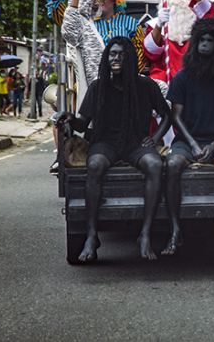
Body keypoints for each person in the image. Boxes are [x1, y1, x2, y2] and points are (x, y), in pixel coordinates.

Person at [59, 37, 171, 262]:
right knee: (95, 164)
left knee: (155, 164)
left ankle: (145, 233)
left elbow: (167, 115)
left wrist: (155, 138)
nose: (115, 58)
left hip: (136, 143)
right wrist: (70, 119)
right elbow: (83, 122)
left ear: (129, 58)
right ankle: (92, 235)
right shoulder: (98, 87)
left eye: (120, 54)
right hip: (105, 142)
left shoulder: (145, 85)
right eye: (111, 54)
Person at [163, 20, 214, 257]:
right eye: (202, 40)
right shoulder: (183, 77)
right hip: (187, 141)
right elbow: (176, 117)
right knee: (173, 164)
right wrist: (195, 145)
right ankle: (175, 230)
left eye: (210, 41)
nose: (205, 45)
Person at [143, 0, 214, 97]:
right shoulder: (158, 23)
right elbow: (151, 54)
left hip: (195, 79)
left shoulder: (200, 22)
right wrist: (159, 25)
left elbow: (208, 16)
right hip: (165, 81)